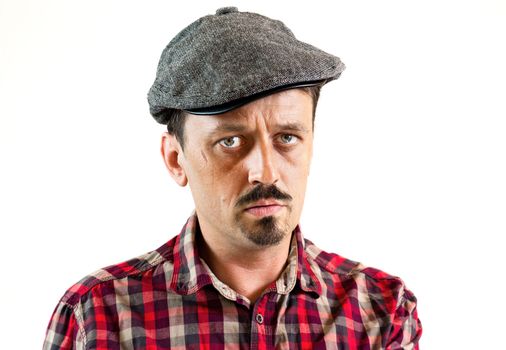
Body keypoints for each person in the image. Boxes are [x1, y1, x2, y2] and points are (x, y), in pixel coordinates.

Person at [43, 7, 422, 349]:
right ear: (176, 159)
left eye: (287, 138)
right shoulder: (98, 319)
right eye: (231, 141)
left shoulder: (381, 313)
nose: (266, 172)